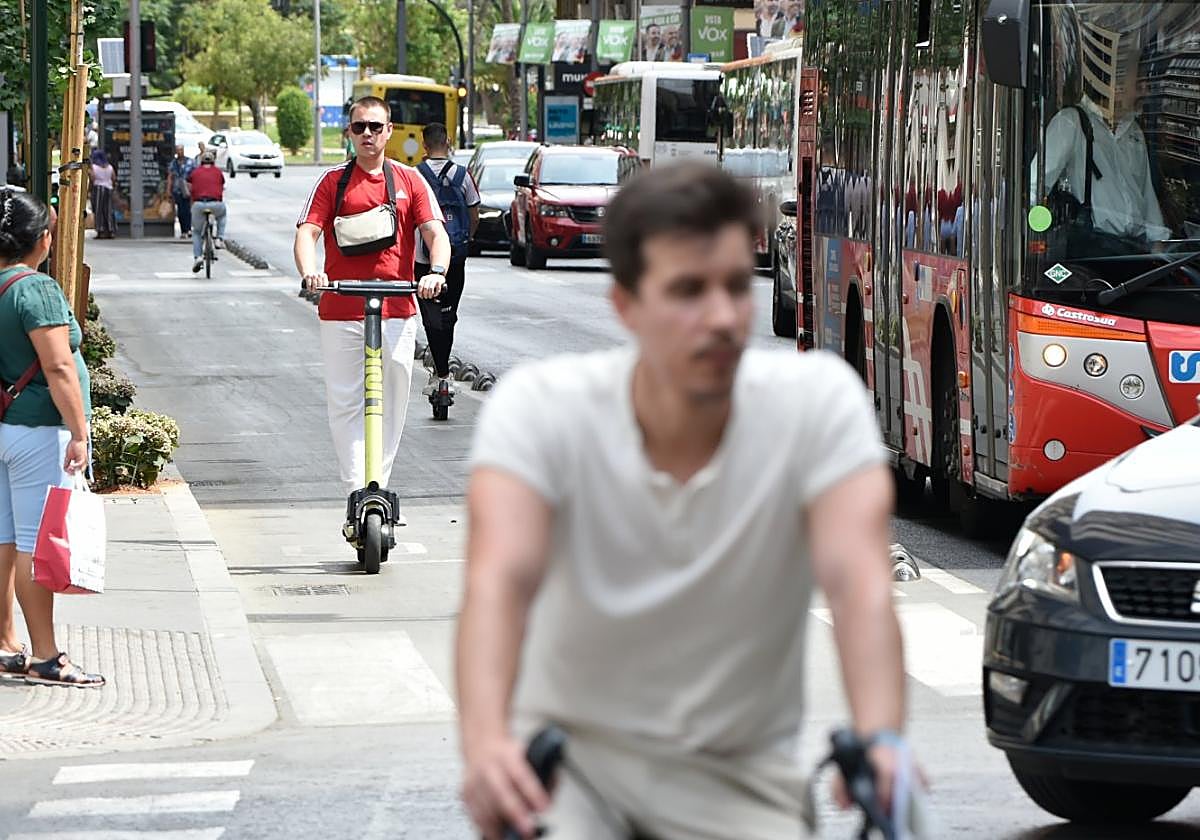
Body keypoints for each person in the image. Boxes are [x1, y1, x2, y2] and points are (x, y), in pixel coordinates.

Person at [457, 162, 915, 839]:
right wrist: (486, 744)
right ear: (626, 305)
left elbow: (862, 590)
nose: (723, 317)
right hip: (574, 775)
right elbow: (496, 586)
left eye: (736, 285)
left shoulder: (818, 405)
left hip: (740, 778)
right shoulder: (541, 409)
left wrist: (880, 736)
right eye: (688, 291)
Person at [293, 95, 450, 500]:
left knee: (393, 399)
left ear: (389, 131)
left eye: (375, 127)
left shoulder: (410, 180)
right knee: (345, 402)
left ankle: (377, 486)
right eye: (359, 126)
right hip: (341, 310)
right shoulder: (332, 182)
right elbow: (308, 232)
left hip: (397, 309)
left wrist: (436, 272)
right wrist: (311, 272)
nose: (367, 134)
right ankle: (356, 491)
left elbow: (435, 233)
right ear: (349, 132)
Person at [0, 189, 104, 688]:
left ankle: (5, 643)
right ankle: (45, 656)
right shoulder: (35, 289)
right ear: (42, 240)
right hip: (39, 430)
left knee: (4, 539)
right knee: (31, 544)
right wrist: (80, 433)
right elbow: (59, 366)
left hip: (6, 428)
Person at [1036, 66, 1170, 244]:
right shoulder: (1071, 122)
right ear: (1116, 87)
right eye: (1139, 85)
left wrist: (1159, 241)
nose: (1145, 92)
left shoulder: (1134, 131)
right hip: (1092, 248)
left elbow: (1146, 194)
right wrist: (1038, 237)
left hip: (1134, 248)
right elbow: (1035, 186)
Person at [414, 123, 480, 400]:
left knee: (431, 319)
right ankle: (443, 375)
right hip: (455, 258)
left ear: (424, 145)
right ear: (449, 142)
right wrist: (464, 240)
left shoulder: (415, 175)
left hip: (422, 259)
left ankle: (440, 373)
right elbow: (474, 213)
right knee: (449, 316)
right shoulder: (463, 175)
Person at [188, 150, 227, 272]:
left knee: (197, 232)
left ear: (201, 161)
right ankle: (219, 238)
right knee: (222, 214)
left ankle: (198, 257)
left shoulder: (195, 172)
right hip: (216, 204)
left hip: (199, 204)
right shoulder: (218, 172)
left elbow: (189, 186)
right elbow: (222, 186)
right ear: (213, 161)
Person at [166, 145, 196, 240]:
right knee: (180, 211)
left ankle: (188, 229)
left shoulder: (190, 162)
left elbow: (195, 175)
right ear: (176, 152)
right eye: (178, 150)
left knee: (188, 210)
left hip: (188, 189)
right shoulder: (173, 163)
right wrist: (168, 190)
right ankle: (184, 230)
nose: (180, 152)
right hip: (177, 189)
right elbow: (170, 177)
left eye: (181, 150)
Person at [89, 150, 116, 240]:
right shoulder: (110, 167)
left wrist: (90, 189)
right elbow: (113, 178)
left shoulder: (93, 167)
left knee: (98, 210)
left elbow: (92, 178)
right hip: (109, 189)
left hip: (98, 189)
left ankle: (100, 230)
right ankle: (110, 230)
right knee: (109, 210)